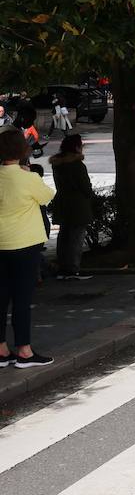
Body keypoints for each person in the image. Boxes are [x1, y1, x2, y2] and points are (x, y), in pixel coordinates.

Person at [0, 127, 56, 367]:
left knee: (0, 297)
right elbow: (47, 196)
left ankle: (1, 349)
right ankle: (24, 350)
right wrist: (29, 172)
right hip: (24, 244)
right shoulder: (28, 178)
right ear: (22, 151)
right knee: (22, 299)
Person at [48, 133, 95, 281]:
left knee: (64, 236)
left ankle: (63, 267)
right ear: (76, 147)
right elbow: (85, 187)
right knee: (76, 238)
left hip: (62, 201)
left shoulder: (57, 164)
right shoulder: (77, 165)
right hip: (77, 204)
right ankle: (73, 269)